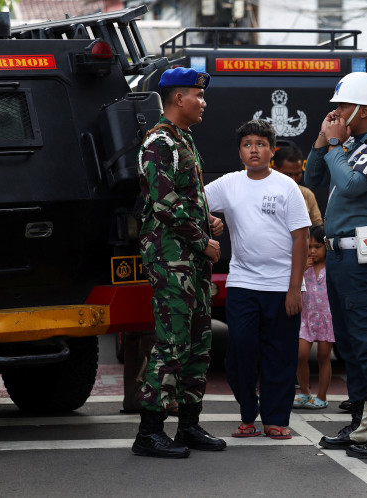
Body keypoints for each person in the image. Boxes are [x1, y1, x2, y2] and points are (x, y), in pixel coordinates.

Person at [304, 72, 367, 459]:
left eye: (343, 106)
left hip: (362, 255)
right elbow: (313, 179)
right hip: (340, 254)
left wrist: (334, 144)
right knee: (349, 343)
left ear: (363, 109)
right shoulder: (349, 144)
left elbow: (350, 186)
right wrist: (322, 143)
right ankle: (364, 425)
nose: (336, 112)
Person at [132, 67, 226, 458]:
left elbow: (187, 196)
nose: (203, 103)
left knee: (198, 342)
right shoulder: (159, 142)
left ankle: (188, 426)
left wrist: (209, 218)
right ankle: (149, 431)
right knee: (171, 343)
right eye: (197, 96)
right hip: (172, 259)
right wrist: (202, 239)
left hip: (190, 260)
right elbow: (163, 203)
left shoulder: (182, 139)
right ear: (177, 98)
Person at [205, 119, 310, 440]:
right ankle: (248, 412)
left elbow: (302, 237)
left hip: (282, 287)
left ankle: (276, 419)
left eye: (261, 144)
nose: (255, 150)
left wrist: (295, 288)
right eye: (248, 144)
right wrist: (209, 219)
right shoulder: (229, 184)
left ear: (271, 150)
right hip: (242, 283)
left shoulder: (286, 186)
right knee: (240, 351)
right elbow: (192, 203)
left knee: (280, 354)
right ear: (240, 151)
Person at [293, 225, 334, 410]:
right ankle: (304, 392)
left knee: (324, 357)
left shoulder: (331, 268)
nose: (312, 251)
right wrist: (301, 269)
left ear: (326, 247)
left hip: (326, 318)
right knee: (300, 355)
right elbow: (293, 282)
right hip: (306, 317)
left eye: (317, 247)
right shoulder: (303, 265)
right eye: (309, 246)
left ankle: (322, 396)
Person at [272, 145, 323, 226]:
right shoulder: (263, 192)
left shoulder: (306, 194)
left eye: (297, 174)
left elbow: (317, 226)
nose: (293, 179)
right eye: (288, 174)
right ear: (274, 169)